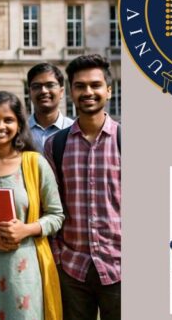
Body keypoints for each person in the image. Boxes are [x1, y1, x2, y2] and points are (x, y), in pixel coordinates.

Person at [0, 91, 64, 320]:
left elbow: (56, 215)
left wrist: (26, 229)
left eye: (8, 120)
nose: (0, 126)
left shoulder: (34, 163)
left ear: (19, 123)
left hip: (24, 271)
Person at [44, 54, 121, 320]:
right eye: (80, 86)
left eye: (95, 85)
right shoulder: (55, 145)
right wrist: (57, 257)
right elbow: (51, 206)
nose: (88, 92)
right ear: (71, 93)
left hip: (120, 268)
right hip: (73, 269)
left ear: (109, 91)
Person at [27, 63, 74, 150]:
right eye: (36, 86)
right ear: (29, 93)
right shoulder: (20, 131)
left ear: (62, 92)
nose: (43, 91)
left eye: (50, 85)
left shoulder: (74, 130)